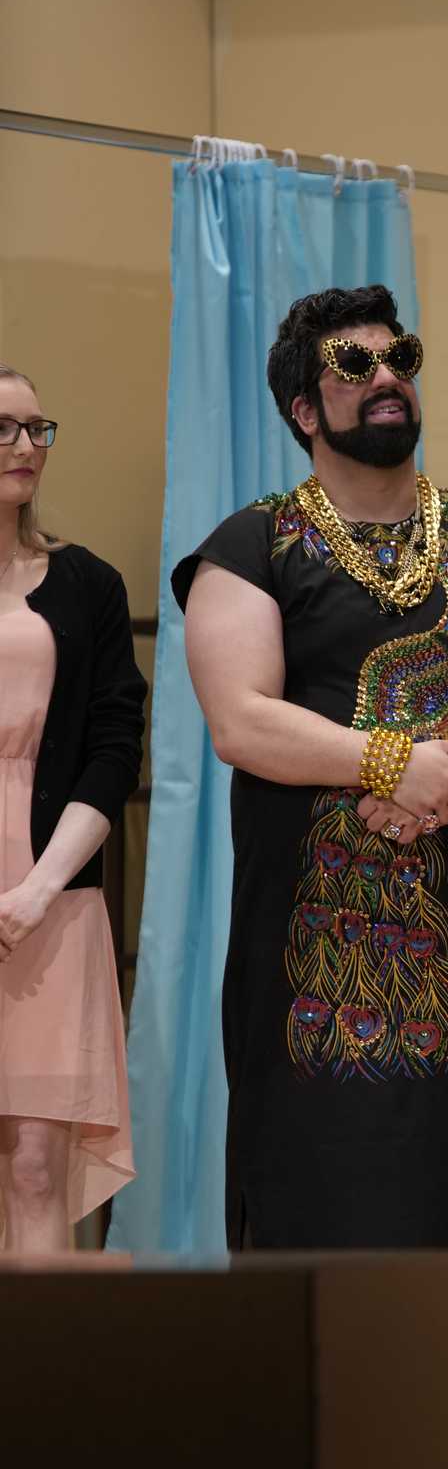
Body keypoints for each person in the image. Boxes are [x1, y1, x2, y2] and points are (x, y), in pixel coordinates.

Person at [178, 286, 448, 1249]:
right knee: (301, 1184)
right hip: (307, 933)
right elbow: (240, 722)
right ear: (304, 411)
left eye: (401, 357)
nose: (387, 376)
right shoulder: (251, 545)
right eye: (355, 366)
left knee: (447, 1185)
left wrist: (442, 789)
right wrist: (396, 764)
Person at [0, 362, 144, 1250]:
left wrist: (38, 891)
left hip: (49, 901)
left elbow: (113, 750)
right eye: (4, 428)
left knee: (34, 1167)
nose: (26, 445)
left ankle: (35, 1347)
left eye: (36, 427)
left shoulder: (87, 584)